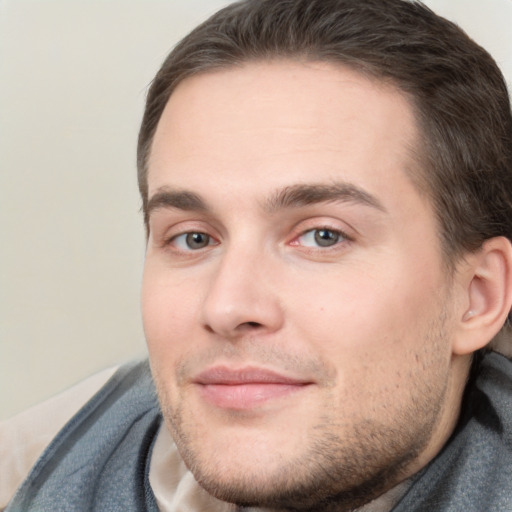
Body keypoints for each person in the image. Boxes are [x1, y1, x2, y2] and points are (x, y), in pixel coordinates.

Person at [2, 0, 512, 510]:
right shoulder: (37, 465)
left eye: (322, 236)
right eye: (194, 238)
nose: (226, 307)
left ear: (477, 297)